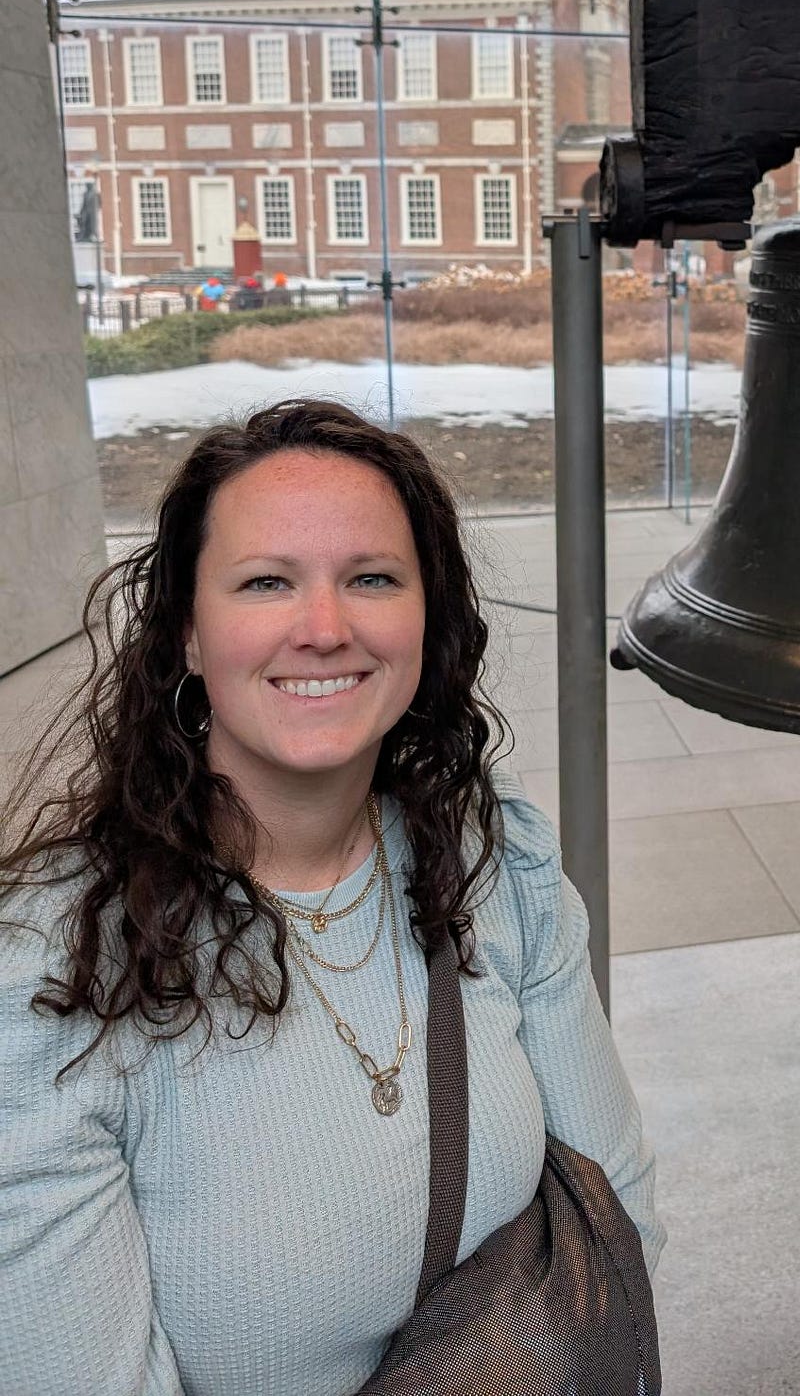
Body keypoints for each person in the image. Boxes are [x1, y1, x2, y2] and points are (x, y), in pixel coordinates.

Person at [0, 398, 663, 1395]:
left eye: (372, 578)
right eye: (266, 581)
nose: (324, 628)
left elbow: (614, 1227)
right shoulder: (49, 975)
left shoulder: (497, 860)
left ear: (427, 616)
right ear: (187, 632)